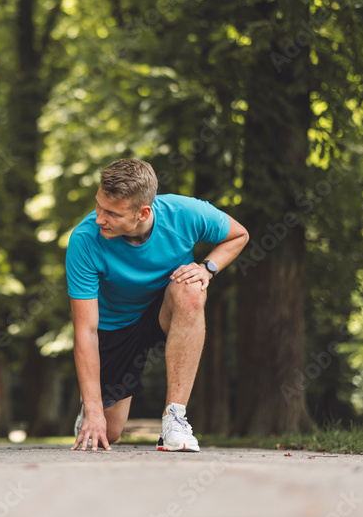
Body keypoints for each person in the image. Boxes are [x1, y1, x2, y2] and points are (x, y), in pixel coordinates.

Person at [67, 158, 249, 452]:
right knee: (107, 434)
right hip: (116, 325)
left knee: (191, 287)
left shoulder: (185, 213)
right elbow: (86, 331)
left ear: (144, 212)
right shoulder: (84, 240)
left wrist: (207, 268)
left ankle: (175, 420)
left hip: (164, 307)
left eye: (111, 213)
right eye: (98, 205)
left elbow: (239, 234)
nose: (99, 217)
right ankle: (91, 407)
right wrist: (93, 409)